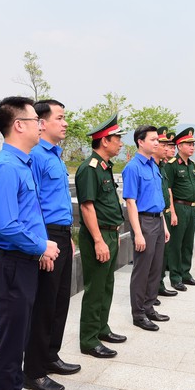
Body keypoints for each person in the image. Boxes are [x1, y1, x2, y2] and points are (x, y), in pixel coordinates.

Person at [0, 96, 60, 390]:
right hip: (12, 266)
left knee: (19, 340)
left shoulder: (22, 163)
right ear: (18, 125)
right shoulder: (5, 167)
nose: (41, 126)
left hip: (24, 263)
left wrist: (39, 249)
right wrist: (41, 244)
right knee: (10, 346)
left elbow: (30, 215)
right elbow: (7, 225)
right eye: (35, 121)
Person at [23, 100, 80, 390]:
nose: (65, 123)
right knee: (44, 304)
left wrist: (66, 235)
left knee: (60, 301)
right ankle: (33, 371)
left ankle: (50, 355)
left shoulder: (56, 155)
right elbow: (32, 204)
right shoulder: (37, 156)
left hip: (61, 234)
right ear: (42, 123)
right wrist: (43, 244)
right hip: (45, 236)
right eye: (60, 118)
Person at [75, 114, 127, 358]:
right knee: (95, 288)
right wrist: (98, 240)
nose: (120, 143)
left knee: (106, 286)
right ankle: (88, 339)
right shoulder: (89, 168)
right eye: (117, 138)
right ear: (104, 141)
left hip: (110, 233)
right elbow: (87, 207)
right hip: (98, 236)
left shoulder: (105, 167)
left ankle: (101, 328)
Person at [122, 125, 171, 332]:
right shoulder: (133, 168)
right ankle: (138, 313)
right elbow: (131, 202)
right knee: (142, 269)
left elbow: (158, 199)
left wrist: (164, 225)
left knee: (155, 267)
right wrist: (139, 233)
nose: (157, 143)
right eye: (153, 140)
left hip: (158, 221)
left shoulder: (153, 165)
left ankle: (149, 307)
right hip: (144, 222)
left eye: (157, 140)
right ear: (140, 142)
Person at [164, 128, 195, 291]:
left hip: (192, 209)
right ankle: (175, 277)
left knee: (188, 243)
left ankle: (186, 273)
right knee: (176, 244)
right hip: (179, 207)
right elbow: (169, 190)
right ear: (179, 146)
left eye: (193, 144)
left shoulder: (192, 165)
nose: (192, 147)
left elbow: (194, 187)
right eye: (188, 144)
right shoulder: (172, 165)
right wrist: (172, 212)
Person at [155, 127, 178, 298]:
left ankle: (159, 284)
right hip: (152, 217)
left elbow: (167, 191)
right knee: (154, 258)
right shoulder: (148, 166)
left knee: (163, 253)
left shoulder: (162, 166)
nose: (168, 148)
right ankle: (153, 288)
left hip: (164, 214)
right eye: (164, 144)